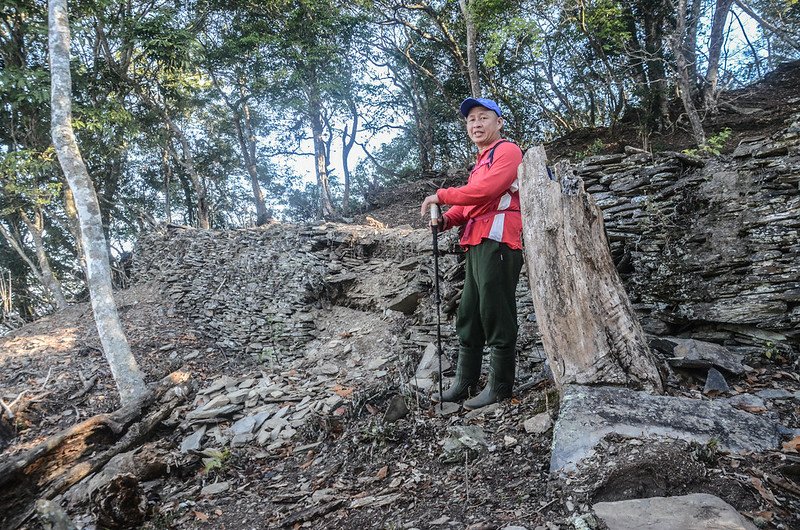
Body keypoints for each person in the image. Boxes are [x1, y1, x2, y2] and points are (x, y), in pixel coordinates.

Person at [420, 97, 524, 410]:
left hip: (499, 239)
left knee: (496, 310)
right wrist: (447, 218)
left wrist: (441, 194)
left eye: (483, 118)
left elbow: (486, 192)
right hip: (478, 241)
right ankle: (465, 383)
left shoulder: (507, 151)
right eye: (470, 120)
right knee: (469, 312)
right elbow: (470, 205)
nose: (476, 124)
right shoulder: (481, 162)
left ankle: (500, 386)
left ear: (499, 122)